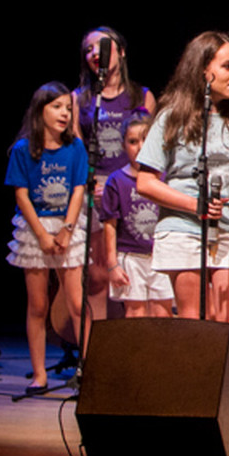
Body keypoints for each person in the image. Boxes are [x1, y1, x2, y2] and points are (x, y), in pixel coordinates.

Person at [136, 31, 229, 380]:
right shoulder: (172, 116)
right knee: (193, 321)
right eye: (227, 66)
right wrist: (192, 204)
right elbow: (145, 181)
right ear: (203, 70)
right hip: (183, 229)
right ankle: (193, 399)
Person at [6, 82, 89, 394]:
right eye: (57, 107)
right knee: (38, 306)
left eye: (68, 107)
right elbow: (21, 193)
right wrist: (42, 235)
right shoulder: (23, 149)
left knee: (78, 304)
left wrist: (67, 230)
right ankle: (39, 374)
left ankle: (87, 370)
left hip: (68, 226)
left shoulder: (75, 148)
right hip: (36, 228)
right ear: (41, 110)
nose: (65, 113)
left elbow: (79, 187)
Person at [72, 26, 156, 324]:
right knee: (98, 275)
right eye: (89, 49)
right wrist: (93, 182)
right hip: (95, 192)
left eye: (103, 46)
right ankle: (96, 351)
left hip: (134, 190)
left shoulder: (141, 95)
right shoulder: (80, 98)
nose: (96, 53)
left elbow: (150, 153)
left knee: (135, 272)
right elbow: (78, 149)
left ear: (121, 51)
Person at [101, 114, 171, 319]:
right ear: (123, 145)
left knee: (162, 313)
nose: (140, 147)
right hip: (130, 257)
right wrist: (112, 264)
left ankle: (161, 353)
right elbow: (110, 225)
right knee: (135, 314)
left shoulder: (166, 177)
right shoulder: (116, 181)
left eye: (146, 141)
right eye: (133, 142)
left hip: (161, 256)